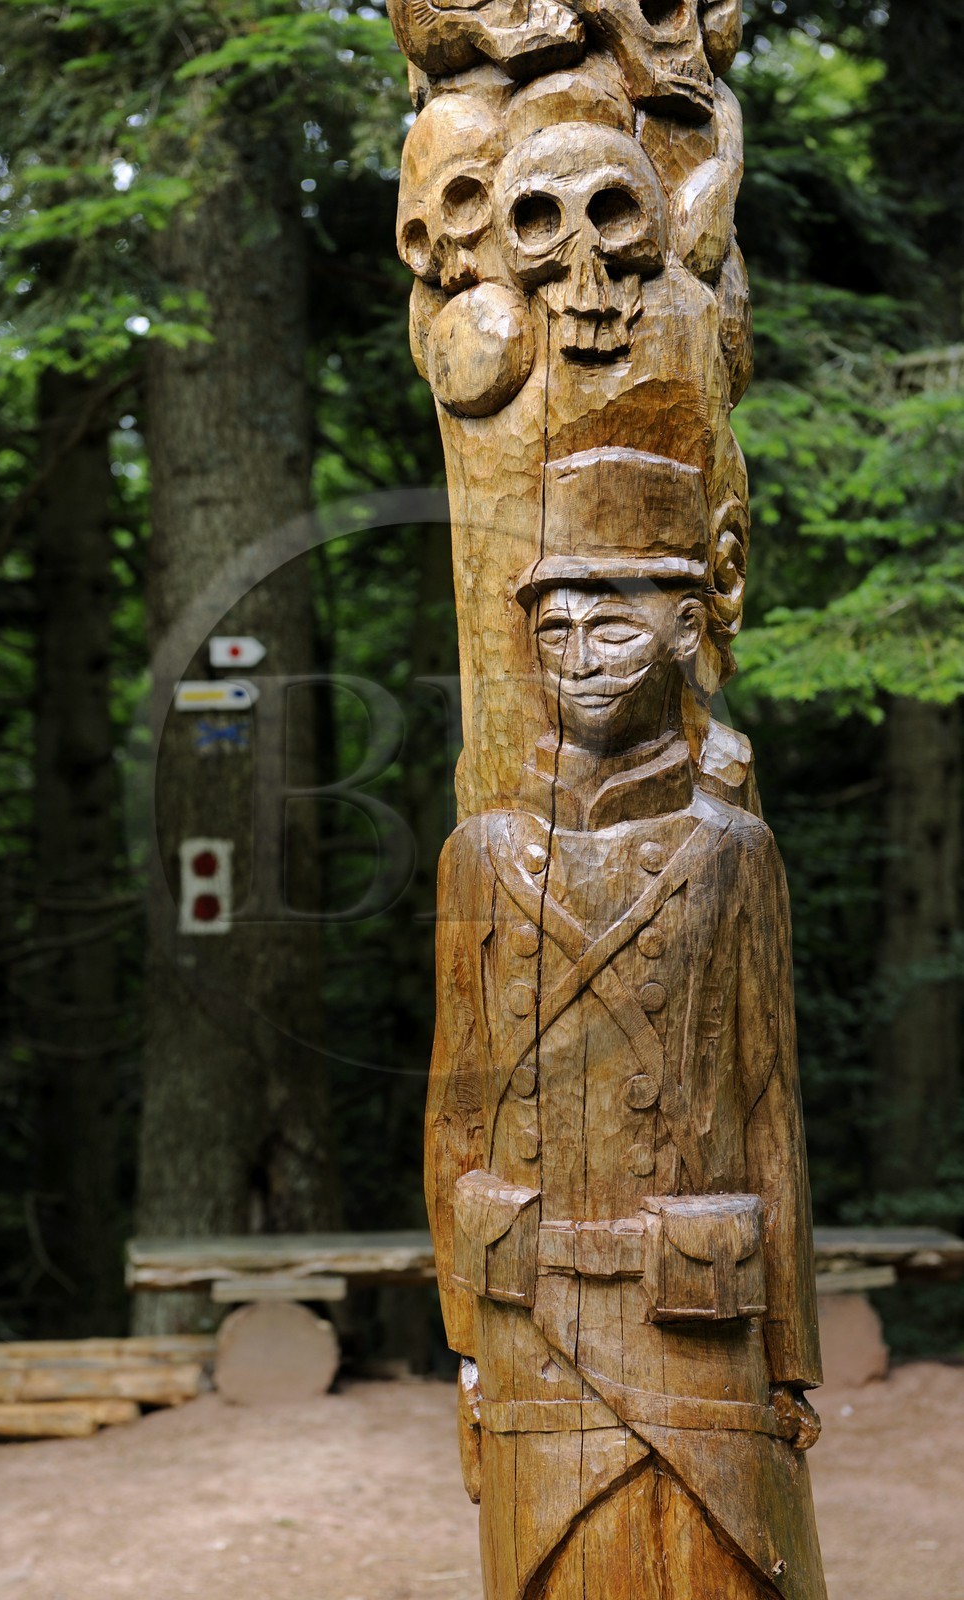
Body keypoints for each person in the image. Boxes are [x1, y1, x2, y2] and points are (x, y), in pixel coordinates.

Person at [427, 446, 827, 1600]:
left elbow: (770, 1109)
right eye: (553, 632)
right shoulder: (481, 856)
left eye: (613, 627)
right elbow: (453, 1109)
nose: (579, 661)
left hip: (697, 1316)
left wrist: (791, 1358)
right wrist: (463, 1336)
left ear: (690, 630)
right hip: (530, 1315)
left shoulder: (730, 851)